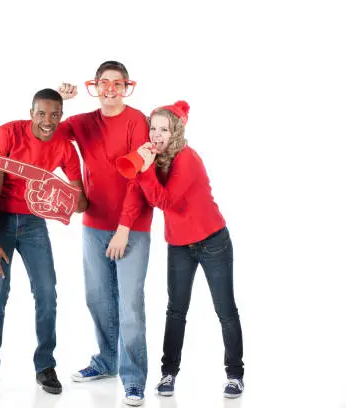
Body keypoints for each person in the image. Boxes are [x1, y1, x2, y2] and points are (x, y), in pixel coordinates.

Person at [0, 88, 88, 395]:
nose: (47, 121)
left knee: (47, 293)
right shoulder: (9, 132)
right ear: (31, 112)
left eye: (54, 115)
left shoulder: (65, 146)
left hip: (34, 223)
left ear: (61, 117)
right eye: (41, 114)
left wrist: (65, 198)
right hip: (2, 220)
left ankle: (45, 366)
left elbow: (79, 200)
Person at [126, 100, 245, 399]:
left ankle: (235, 375)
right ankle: (168, 374)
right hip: (179, 244)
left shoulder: (187, 158)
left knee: (225, 310)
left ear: (176, 131)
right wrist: (143, 166)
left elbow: (164, 201)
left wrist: (143, 171)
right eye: (153, 128)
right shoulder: (158, 158)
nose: (156, 134)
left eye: (164, 129)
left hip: (212, 241)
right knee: (176, 310)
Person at [58, 61, 153, 406]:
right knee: (97, 297)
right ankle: (106, 361)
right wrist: (60, 100)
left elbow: (139, 178)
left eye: (117, 83)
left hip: (132, 228)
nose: (110, 89)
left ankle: (133, 379)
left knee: (129, 306)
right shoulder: (83, 122)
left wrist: (124, 229)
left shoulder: (137, 121)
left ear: (126, 86)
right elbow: (48, 131)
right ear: (95, 86)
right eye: (104, 83)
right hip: (94, 225)